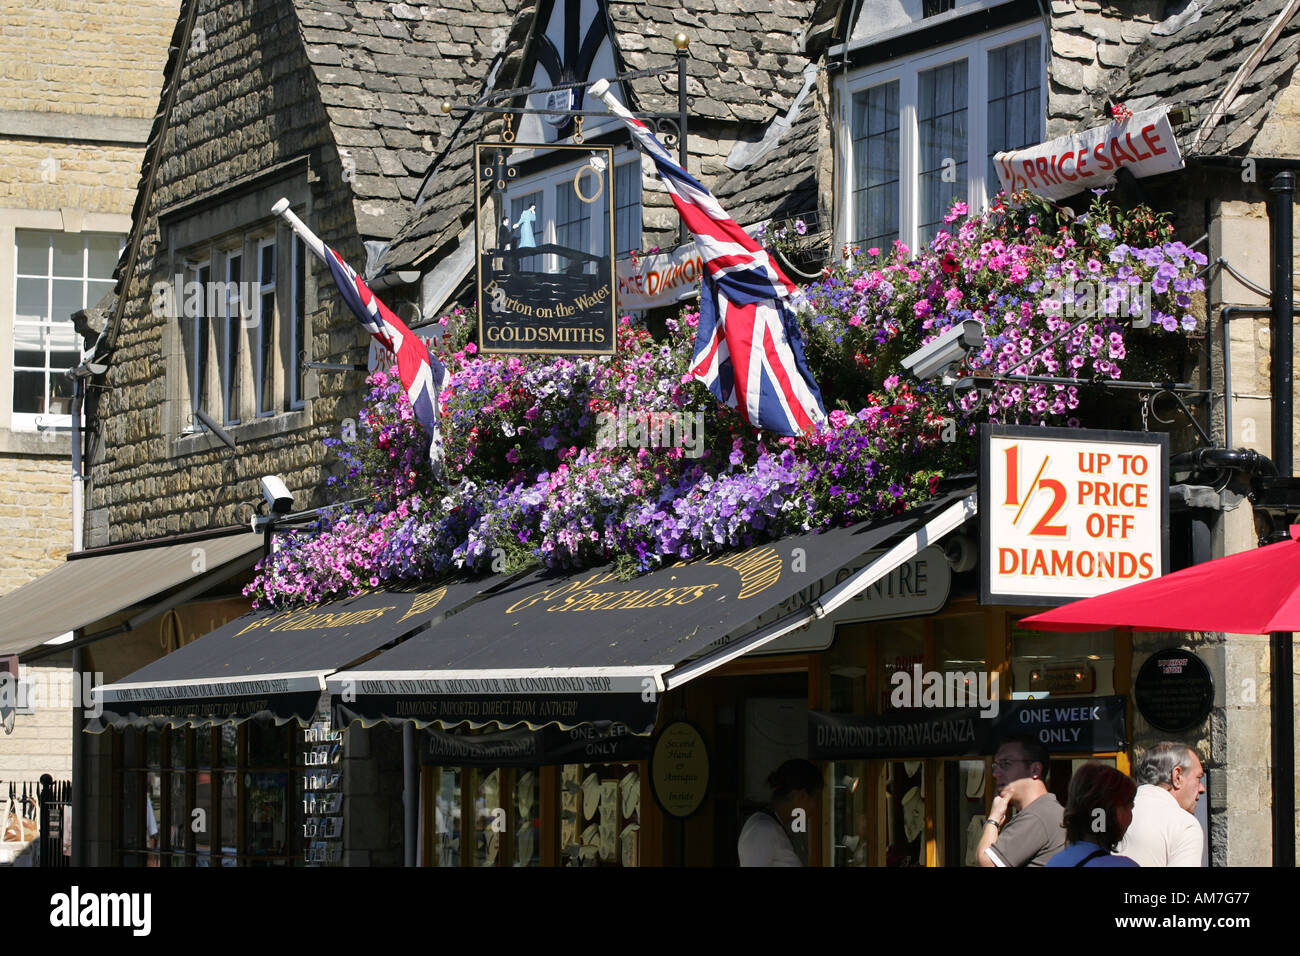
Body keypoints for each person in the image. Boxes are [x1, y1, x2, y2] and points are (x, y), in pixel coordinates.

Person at [977, 735, 1066, 866]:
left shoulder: (1037, 816)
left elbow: (986, 863)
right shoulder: (1044, 810)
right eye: (995, 765)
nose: (995, 773)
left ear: (1035, 769)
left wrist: (993, 820)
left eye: (1005, 764)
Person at [1115, 742, 1206, 866]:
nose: (1202, 788)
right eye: (1198, 778)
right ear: (1177, 776)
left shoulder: (1112, 813)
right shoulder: (1184, 825)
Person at [1046, 762, 1139, 866]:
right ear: (1110, 810)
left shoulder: (1055, 862)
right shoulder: (1123, 865)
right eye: (1129, 807)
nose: (1130, 817)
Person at [738, 759, 823, 866]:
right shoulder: (763, 829)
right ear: (801, 796)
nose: (816, 806)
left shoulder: (770, 826)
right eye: (816, 798)